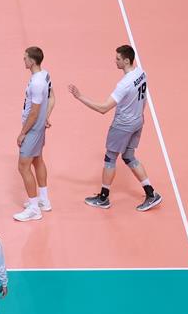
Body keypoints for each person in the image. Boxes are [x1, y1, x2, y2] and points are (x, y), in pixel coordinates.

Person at [68, 45, 161, 212]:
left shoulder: (124, 84)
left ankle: (103, 198)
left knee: (110, 158)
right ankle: (151, 193)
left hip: (123, 125)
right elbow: (144, 99)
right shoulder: (141, 73)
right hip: (138, 121)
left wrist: (79, 96)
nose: (115, 61)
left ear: (126, 60)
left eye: (118, 59)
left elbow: (103, 108)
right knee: (129, 156)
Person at [14, 46, 55, 222]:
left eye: (25, 58)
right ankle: (43, 200)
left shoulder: (37, 83)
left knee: (23, 166)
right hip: (39, 126)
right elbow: (52, 97)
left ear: (32, 60)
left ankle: (33, 209)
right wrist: (46, 117)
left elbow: (34, 112)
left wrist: (22, 133)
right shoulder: (45, 75)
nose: (23, 60)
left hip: (32, 128)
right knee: (38, 160)